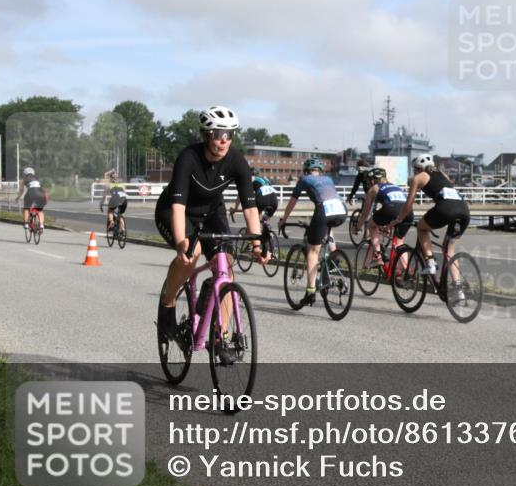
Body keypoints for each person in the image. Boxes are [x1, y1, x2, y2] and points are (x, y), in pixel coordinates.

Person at [154, 106, 269, 339]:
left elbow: (250, 208)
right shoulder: (188, 158)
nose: (224, 140)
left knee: (225, 263)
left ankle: (221, 335)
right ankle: (168, 304)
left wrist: (257, 245)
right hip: (176, 211)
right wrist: (180, 243)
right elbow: (178, 207)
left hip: (211, 213)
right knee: (192, 251)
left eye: (229, 134)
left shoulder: (237, 161)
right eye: (218, 134)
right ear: (206, 135)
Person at [388, 153, 470, 304]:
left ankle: (430, 262)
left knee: (422, 228)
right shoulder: (442, 174)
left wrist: (399, 219)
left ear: (418, 168)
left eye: (414, 169)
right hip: (464, 211)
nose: (414, 172)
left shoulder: (418, 178)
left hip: (446, 209)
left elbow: (408, 204)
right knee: (449, 251)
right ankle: (458, 290)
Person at [278, 158, 347, 305]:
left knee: (312, 252)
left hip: (323, 209)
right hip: (341, 209)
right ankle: (334, 257)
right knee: (327, 227)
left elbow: (292, 200)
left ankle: (310, 291)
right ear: (320, 171)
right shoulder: (327, 178)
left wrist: (284, 219)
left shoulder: (304, 178)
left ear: (306, 170)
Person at [355, 167, 413, 265]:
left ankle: (378, 257)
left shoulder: (375, 188)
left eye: (369, 182)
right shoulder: (395, 187)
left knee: (372, 225)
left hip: (391, 209)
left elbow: (365, 213)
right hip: (408, 212)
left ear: (372, 180)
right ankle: (407, 271)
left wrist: (357, 227)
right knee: (399, 242)